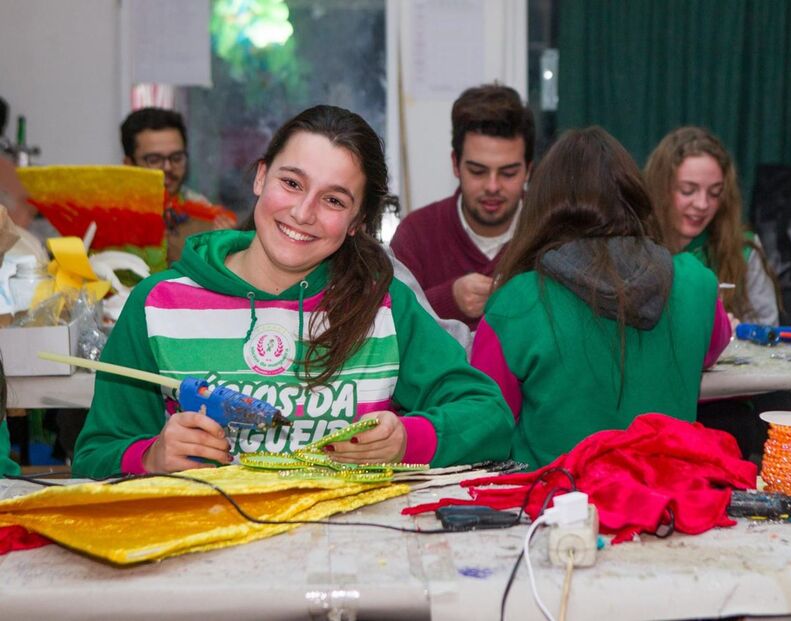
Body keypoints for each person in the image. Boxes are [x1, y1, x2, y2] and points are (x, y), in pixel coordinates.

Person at [73, 105, 513, 478]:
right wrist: (150, 457)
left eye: (334, 200)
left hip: (347, 556)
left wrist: (406, 440)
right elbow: (93, 458)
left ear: (358, 222)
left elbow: (489, 416)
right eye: (292, 183)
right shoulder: (157, 304)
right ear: (261, 177)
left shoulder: (384, 304)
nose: (303, 213)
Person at [470, 127, 731, 469]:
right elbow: (711, 349)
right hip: (668, 504)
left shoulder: (515, 303)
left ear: (542, 205)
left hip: (555, 509)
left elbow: (484, 424)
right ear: (635, 197)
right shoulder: (696, 282)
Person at [390, 84, 534, 329]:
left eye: (508, 173)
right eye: (477, 171)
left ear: (528, 170)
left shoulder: (552, 233)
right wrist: (449, 300)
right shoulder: (417, 233)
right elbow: (386, 323)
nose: (492, 186)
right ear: (455, 165)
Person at [644, 126, 779, 325]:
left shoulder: (743, 250)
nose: (702, 204)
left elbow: (767, 329)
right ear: (660, 189)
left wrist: (740, 335)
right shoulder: (631, 247)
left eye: (715, 192)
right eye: (688, 190)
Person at [121, 107, 234, 264]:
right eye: (153, 159)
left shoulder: (204, 213)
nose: (168, 167)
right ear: (129, 164)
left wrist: (223, 250)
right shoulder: (111, 215)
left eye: (176, 157)